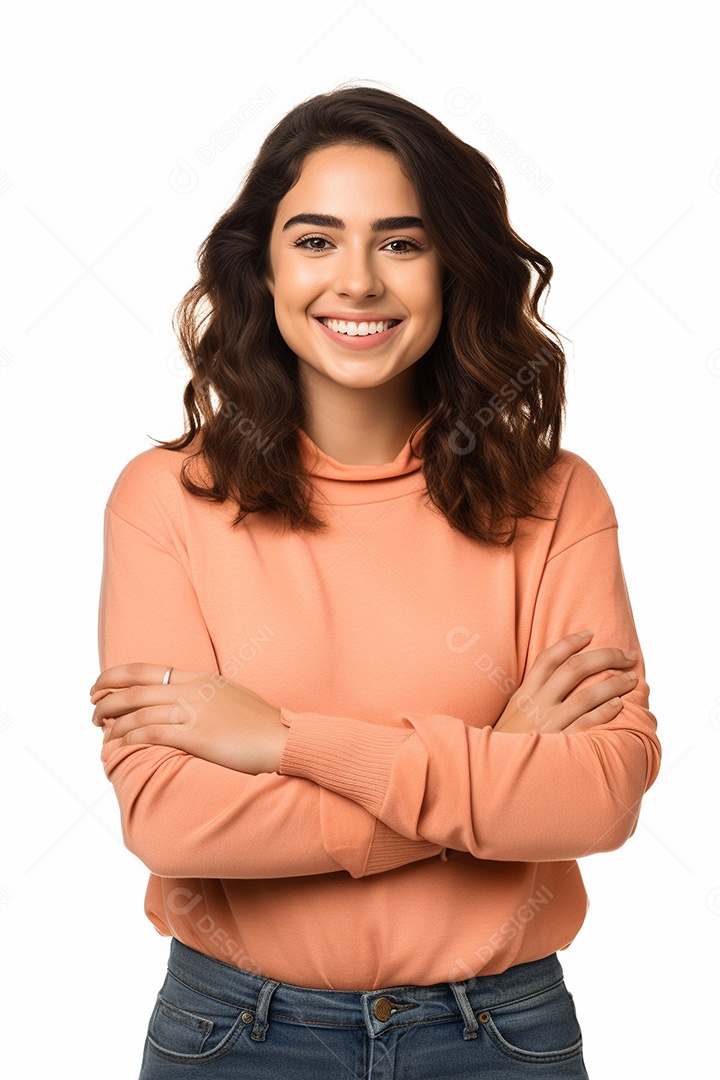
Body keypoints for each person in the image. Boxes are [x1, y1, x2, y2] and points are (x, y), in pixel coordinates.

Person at [90, 85, 660, 1079]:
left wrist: (283, 741)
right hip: (236, 1034)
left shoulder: (558, 499)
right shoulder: (166, 500)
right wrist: (492, 777)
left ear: (454, 269)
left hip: (498, 1036)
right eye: (315, 241)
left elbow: (599, 797)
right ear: (262, 269)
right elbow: (172, 820)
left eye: (401, 243)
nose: (357, 282)